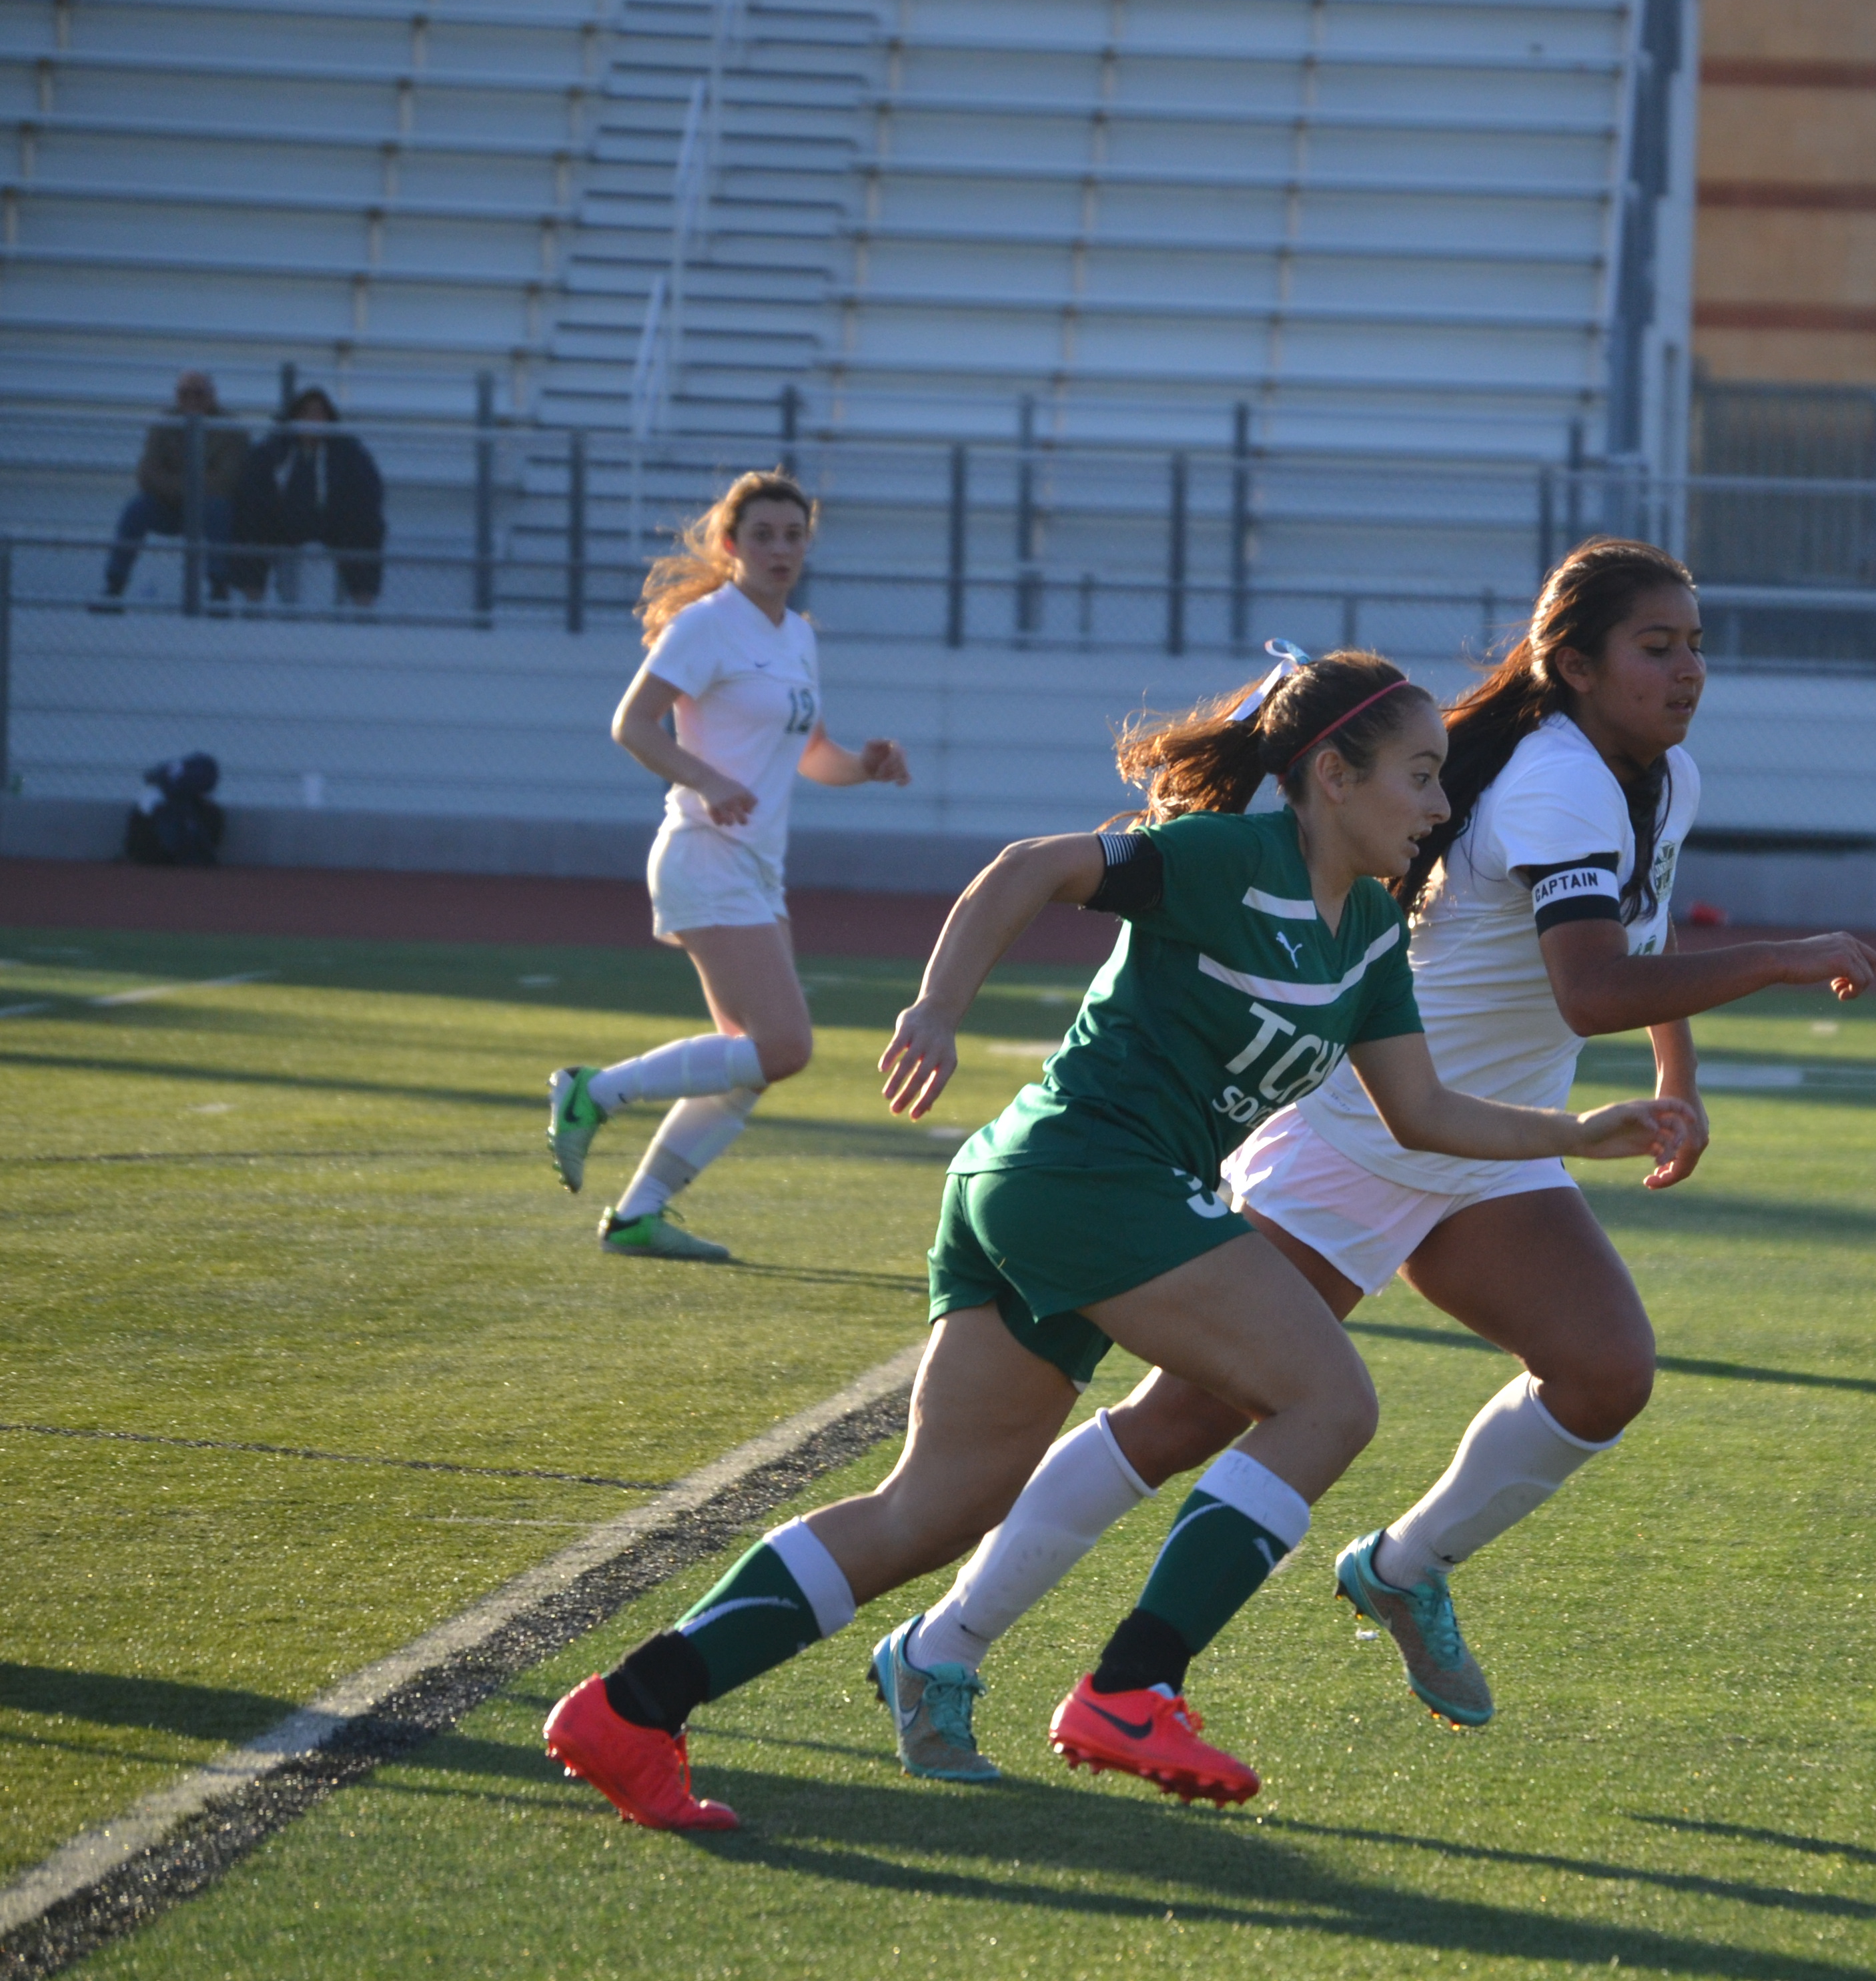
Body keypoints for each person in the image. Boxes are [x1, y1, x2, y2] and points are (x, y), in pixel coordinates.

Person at [541, 649, 1701, 1825]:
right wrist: (936, 1010)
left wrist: (1581, 1130)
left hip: (1047, 1190)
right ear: (1333, 777)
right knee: (1328, 1402)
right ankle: (1134, 1684)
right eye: (1418, 774)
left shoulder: (1365, 940)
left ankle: (633, 1707)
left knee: (931, 1509)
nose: (1441, 806)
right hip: (1084, 1174)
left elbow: (1428, 1114)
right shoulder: (1222, 861)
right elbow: (1030, 866)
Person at [861, 541, 1876, 1784]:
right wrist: (1781, 955)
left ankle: (1400, 1568)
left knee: (1603, 1371)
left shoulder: (1653, 773)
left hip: (1483, 1141)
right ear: (1572, 662)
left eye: (1694, 644)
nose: (1686, 672)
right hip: (1371, 1125)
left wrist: (1679, 1078)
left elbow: (1640, 929)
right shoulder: (1558, 779)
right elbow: (1592, 983)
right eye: (1655, 647)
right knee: (1186, 1413)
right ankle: (947, 1646)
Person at [542, 470, 909, 1261]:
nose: (780, 549)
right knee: (784, 1048)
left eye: (793, 535)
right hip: (704, 854)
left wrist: (865, 766)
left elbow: (812, 755)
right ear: (729, 545)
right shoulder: (708, 626)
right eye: (763, 536)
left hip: (754, 868)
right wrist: (706, 779)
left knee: (748, 1062)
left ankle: (640, 1213)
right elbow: (632, 725)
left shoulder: (795, 635)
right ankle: (592, 1092)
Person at [96, 371, 247, 612]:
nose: (191, 399)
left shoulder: (230, 429)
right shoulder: (164, 424)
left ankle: (219, 588)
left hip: (208, 510)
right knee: (137, 508)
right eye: (184, 393)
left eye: (198, 393)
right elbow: (147, 474)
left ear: (212, 396)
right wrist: (193, 487)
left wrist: (176, 484)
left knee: (219, 508)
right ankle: (114, 586)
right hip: (171, 507)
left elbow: (227, 480)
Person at [229, 387, 387, 607]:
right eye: (306, 413)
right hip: (282, 520)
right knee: (250, 525)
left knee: (366, 528)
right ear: (294, 417)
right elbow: (252, 488)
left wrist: (345, 510)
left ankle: (363, 604)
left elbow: (369, 490)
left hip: (333, 521)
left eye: (319, 414)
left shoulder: (348, 451)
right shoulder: (273, 449)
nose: (312, 420)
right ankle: (252, 601)